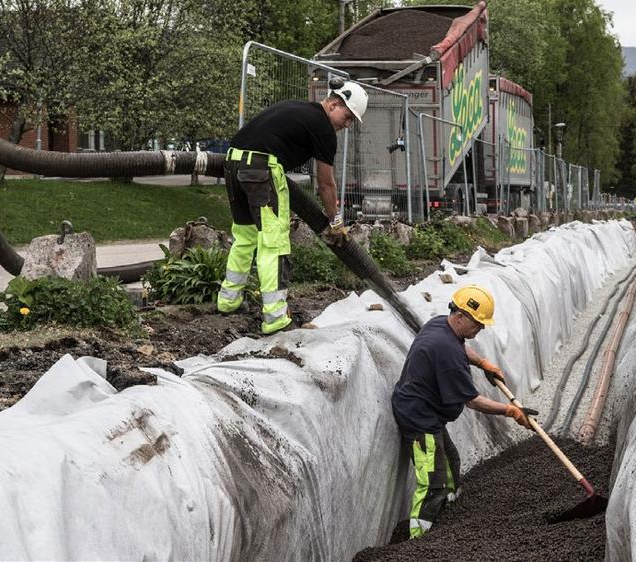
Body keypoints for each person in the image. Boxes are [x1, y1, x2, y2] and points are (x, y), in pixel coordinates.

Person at [216, 78, 368, 334]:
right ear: (332, 104)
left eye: (353, 119)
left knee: (245, 238)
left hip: (233, 165)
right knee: (273, 244)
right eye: (348, 114)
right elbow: (326, 183)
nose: (348, 123)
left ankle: (228, 301)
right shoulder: (323, 127)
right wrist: (336, 222)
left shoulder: (297, 109)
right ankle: (275, 318)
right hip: (262, 169)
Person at [391, 285, 538, 539]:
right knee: (432, 483)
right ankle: (418, 539)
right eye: (478, 324)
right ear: (460, 316)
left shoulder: (442, 325)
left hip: (429, 413)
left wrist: (482, 363)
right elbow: (472, 401)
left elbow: (460, 346)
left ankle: (447, 512)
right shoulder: (446, 353)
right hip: (419, 419)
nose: (480, 329)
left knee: (451, 461)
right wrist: (511, 411)